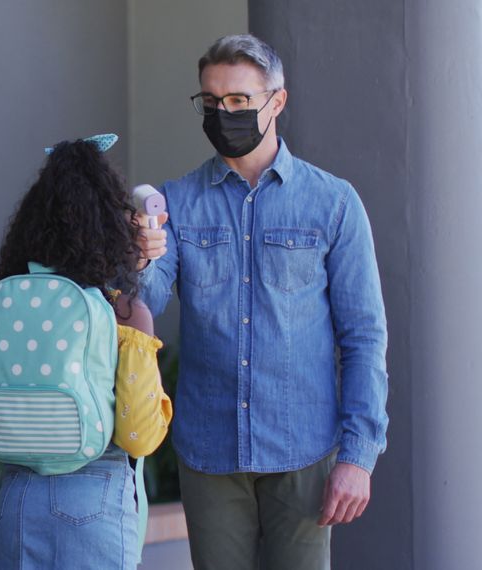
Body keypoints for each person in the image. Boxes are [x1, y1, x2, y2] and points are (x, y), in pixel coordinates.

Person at [134, 35, 389, 570]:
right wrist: (139, 258)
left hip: (304, 450)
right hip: (210, 453)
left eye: (238, 102)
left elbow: (364, 336)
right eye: (210, 101)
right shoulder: (176, 202)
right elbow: (147, 303)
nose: (222, 113)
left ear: (276, 102)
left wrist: (358, 455)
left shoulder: (333, 203)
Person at [0, 138, 173, 570]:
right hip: (94, 498)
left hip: (18, 501)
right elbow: (138, 436)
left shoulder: (4, 303)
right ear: (113, 227)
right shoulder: (124, 314)